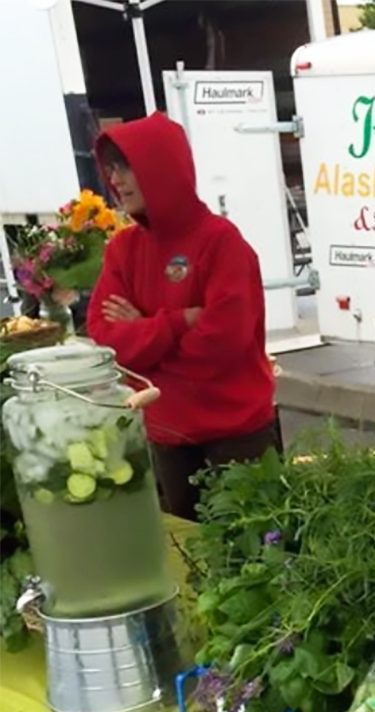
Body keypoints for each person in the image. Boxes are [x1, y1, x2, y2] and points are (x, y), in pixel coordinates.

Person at [88, 112, 278, 520]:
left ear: (160, 168)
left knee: (257, 558)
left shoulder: (222, 244)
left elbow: (221, 346)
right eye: (111, 168)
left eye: (125, 167)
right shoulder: (122, 250)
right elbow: (106, 342)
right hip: (168, 437)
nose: (115, 180)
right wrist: (177, 322)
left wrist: (143, 330)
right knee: (190, 558)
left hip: (238, 434)